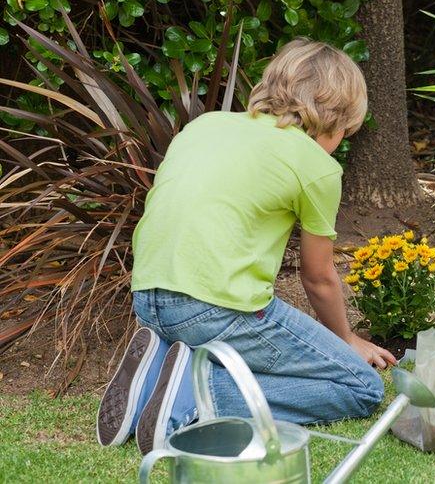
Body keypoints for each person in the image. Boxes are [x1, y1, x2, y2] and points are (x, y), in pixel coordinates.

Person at [96, 39, 397, 454]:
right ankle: (195, 397)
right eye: (345, 133)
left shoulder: (205, 126)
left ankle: (154, 382)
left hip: (147, 299)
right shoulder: (316, 165)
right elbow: (319, 277)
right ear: (337, 118)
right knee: (359, 385)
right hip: (217, 309)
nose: (341, 142)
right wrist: (345, 339)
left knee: (217, 343)